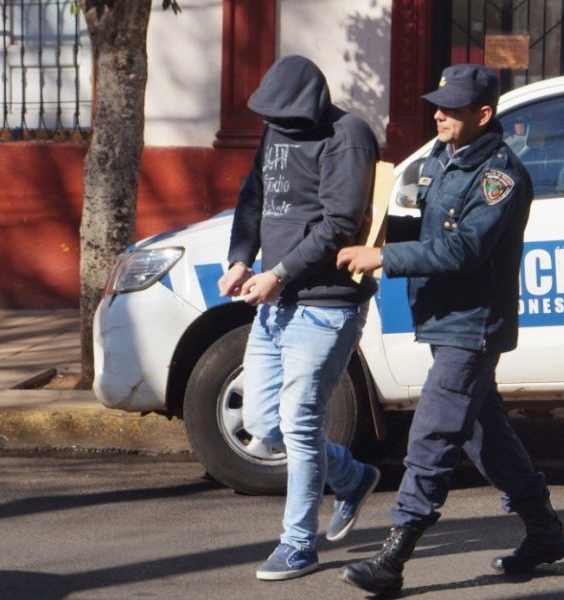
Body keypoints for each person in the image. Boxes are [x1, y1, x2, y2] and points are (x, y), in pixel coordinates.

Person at [335, 64, 564, 596]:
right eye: (438, 103)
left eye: (451, 107)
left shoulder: (500, 177)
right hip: (443, 319)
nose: (438, 113)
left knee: (434, 433)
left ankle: (393, 558)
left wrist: (385, 256)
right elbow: (426, 226)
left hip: (472, 325)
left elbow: (464, 248)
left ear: (482, 115)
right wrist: (371, 231)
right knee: (486, 439)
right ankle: (545, 533)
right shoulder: (443, 160)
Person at [217, 54, 382, 582]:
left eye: (284, 120)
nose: (277, 130)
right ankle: (352, 478)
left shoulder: (348, 135)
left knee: (300, 421)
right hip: (275, 298)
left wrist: (279, 273)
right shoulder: (276, 132)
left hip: (326, 302)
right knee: (261, 423)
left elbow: (340, 224)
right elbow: (253, 197)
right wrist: (241, 258)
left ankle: (297, 544)